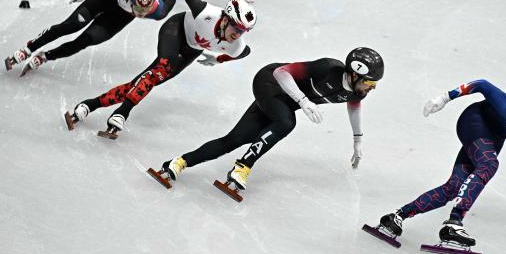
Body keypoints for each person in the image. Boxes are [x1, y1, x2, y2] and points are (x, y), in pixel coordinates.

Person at [152, 47, 384, 192]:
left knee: (235, 139)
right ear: (354, 74)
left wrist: (357, 141)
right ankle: (242, 167)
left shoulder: (357, 91)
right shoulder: (327, 68)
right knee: (286, 123)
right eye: (369, 83)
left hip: (283, 102)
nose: (371, 88)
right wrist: (303, 101)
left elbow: (354, 107)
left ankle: (178, 162)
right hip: (269, 83)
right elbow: (281, 72)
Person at [375, 81, 506, 247]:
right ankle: (454, 223)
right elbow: (482, 84)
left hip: (494, 137)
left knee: (453, 187)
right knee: (489, 164)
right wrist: (445, 97)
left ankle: (396, 216)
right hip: (474, 122)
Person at [65, 0, 257, 138]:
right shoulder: (205, 13)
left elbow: (244, 54)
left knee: (142, 82)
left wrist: (219, 59)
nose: (239, 34)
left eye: (244, 31)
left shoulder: (236, 45)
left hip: (191, 50)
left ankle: (89, 105)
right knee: (161, 69)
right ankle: (122, 113)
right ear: (225, 19)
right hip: (175, 29)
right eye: (236, 28)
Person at [5, 0, 177, 76]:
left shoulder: (157, 10)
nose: (140, 15)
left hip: (117, 19)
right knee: (71, 25)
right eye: (138, 10)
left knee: (84, 41)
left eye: (144, 12)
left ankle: (45, 56)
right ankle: (29, 48)